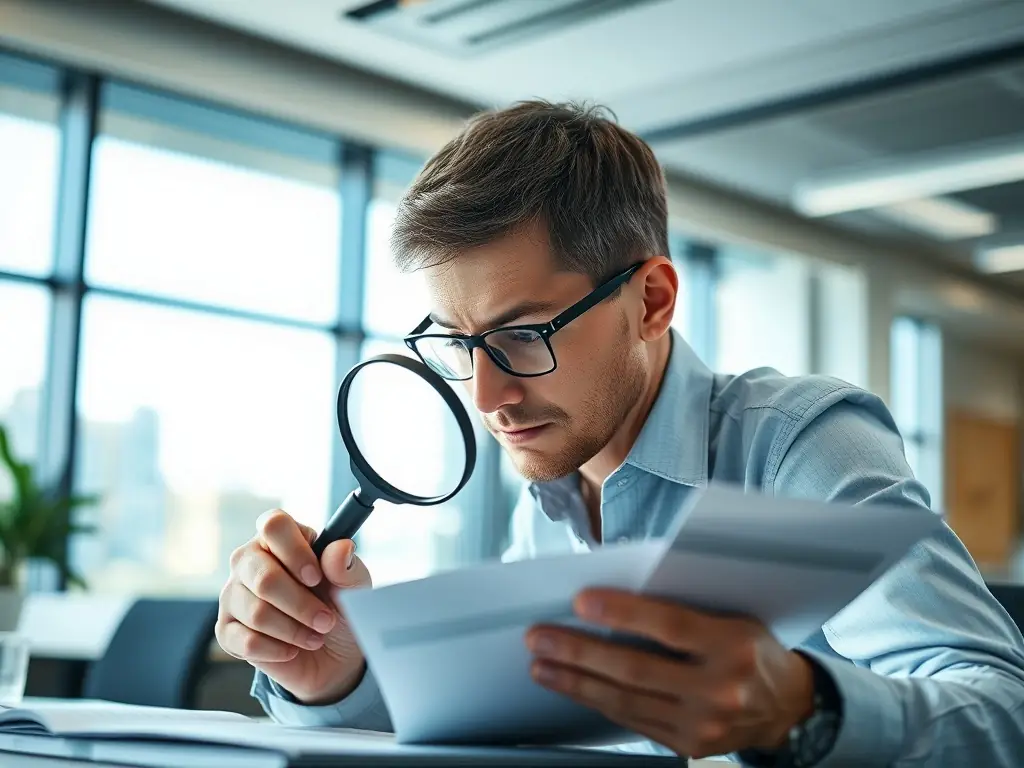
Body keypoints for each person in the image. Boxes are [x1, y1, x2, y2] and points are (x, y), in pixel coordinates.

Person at [216, 101, 1024, 766]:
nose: (489, 397)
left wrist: (800, 710)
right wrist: (334, 676)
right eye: (459, 345)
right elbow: (496, 734)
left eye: (523, 334)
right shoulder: (549, 496)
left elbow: (1003, 717)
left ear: (652, 302)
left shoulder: (796, 444)